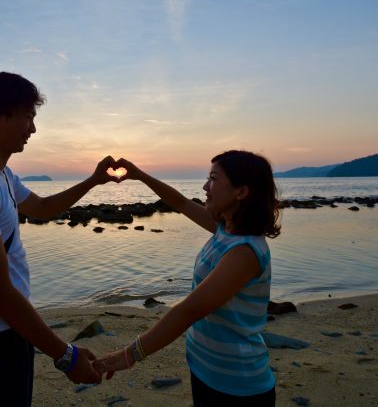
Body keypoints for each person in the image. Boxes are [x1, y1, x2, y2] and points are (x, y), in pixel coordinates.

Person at [0, 72, 116, 406]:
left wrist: (93, 181)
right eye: (28, 117)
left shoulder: (0, 174)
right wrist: (65, 356)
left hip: (7, 333)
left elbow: (44, 208)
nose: (32, 129)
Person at [94, 151, 281, 406]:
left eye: (213, 179)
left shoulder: (244, 252)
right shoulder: (225, 230)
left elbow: (187, 312)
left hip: (237, 386)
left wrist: (128, 356)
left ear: (241, 192)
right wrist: (138, 175)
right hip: (206, 370)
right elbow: (180, 203)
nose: (205, 186)